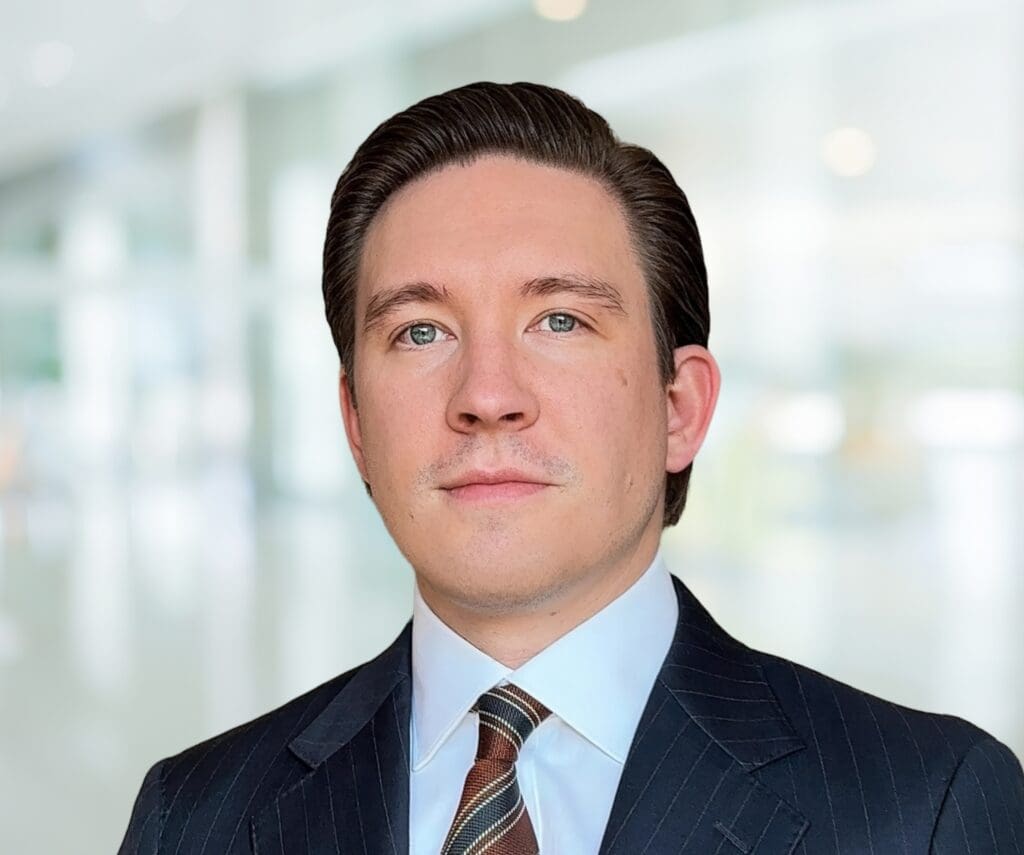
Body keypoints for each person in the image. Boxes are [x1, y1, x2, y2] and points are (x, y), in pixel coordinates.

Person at [119, 80, 1024, 854]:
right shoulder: (193, 816)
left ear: (680, 408)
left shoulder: (925, 806)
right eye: (421, 331)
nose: (487, 394)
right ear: (356, 421)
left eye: (560, 320)